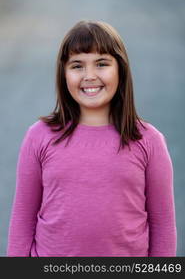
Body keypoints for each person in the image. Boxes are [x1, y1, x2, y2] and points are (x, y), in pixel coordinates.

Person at [7, 20, 177, 257]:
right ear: (63, 73)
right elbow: (22, 223)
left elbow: (163, 226)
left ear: (120, 69)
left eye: (101, 64)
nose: (89, 76)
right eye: (77, 66)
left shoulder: (148, 141)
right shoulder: (39, 136)